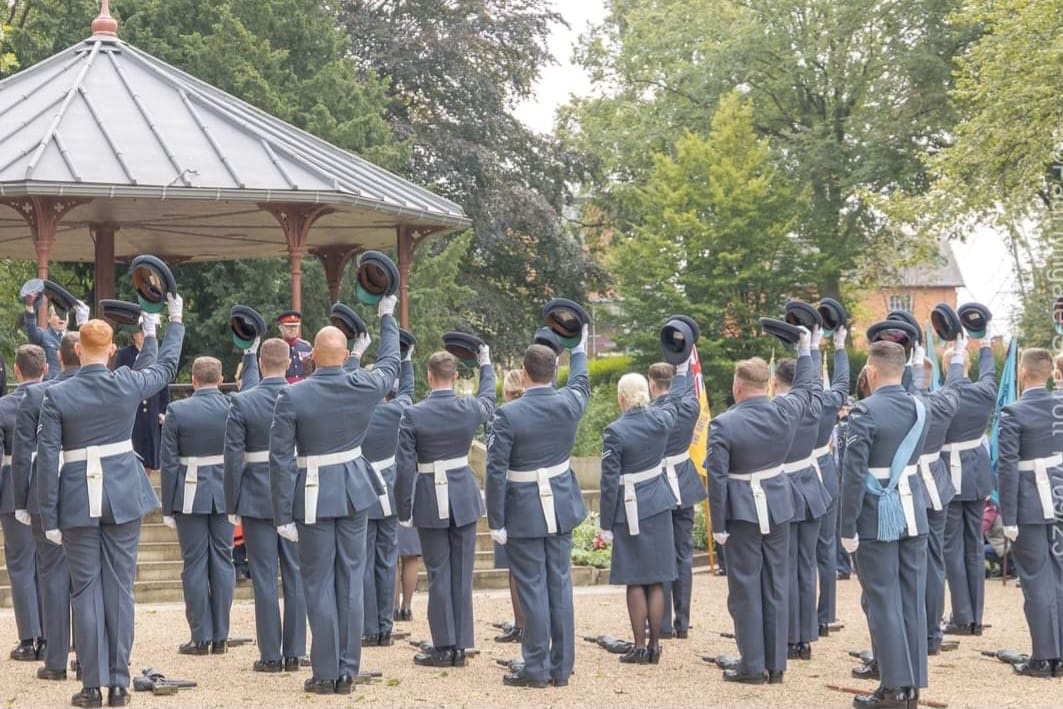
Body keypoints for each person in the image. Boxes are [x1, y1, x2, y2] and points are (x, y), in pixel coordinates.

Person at [37, 295, 184, 708]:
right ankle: (119, 684)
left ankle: (91, 685)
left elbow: (48, 458)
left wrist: (48, 513)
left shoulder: (57, 394)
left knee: (84, 590)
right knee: (120, 590)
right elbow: (164, 367)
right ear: (114, 352)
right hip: (120, 491)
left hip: (77, 497)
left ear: (78, 349)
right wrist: (165, 326)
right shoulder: (126, 382)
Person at [269, 296, 399, 695]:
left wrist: (282, 514)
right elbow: (392, 364)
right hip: (355, 490)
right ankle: (347, 669)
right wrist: (387, 316)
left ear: (312, 355)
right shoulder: (362, 385)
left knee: (318, 583)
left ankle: (325, 671)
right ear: (345, 355)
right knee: (350, 580)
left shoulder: (292, 395)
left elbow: (279, 459)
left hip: (312, 493)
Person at [707, 326, 815, 685]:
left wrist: (717, 524)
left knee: (745, 589)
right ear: (767, 385)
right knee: (777, 585)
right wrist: (805, 349)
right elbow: (806, 387)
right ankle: (776, 663)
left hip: (741, 513)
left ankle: (753, 665)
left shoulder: (723, 424)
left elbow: (718, 478)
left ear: (738, 386)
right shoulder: (785, 411)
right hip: (778, 505)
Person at [485, 330, 590, 687]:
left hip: (525, 509)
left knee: (532, 588)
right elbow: (582, 381)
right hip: (559, 505)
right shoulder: (570, 402)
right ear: (553, 370)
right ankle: (560, 668)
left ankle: (535, 668)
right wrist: (579, 348)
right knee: (559, 585)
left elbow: (495, 470)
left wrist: (496, 519)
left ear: (524, 372)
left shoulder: (508, 414)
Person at [840, 341, 931, 709]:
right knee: (911, 599)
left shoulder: (864, 410)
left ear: (872, 371)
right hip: (913, 510)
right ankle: (911, 687)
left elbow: (852, 474)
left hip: (876, 513)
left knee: (882, 599)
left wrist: (846, 527)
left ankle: (893, 688)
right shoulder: (920, 408)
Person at [395, 345, 495, 668]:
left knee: (438, 573)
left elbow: (404, 465)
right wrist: (486, 365)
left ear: (428, 376)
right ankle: (461, 645)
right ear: (455, 377)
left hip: (428, 495)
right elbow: (490, 401)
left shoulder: (413, 414)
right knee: (461, 573)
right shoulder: (468, 407)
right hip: (463, 495)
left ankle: (444, 645)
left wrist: (404, 508)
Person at [598, 363, 691, 665]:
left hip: (631, 505)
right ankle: (654, 645)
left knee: (636, 579)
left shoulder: (615, 431)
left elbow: (609, 481)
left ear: (623, 398)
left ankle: (639, 645)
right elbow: (675, 400)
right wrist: (681, 369)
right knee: (657, 578)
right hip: (659, 502)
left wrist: (606, 522)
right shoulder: (662, 420)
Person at [11, 334, 91, 679]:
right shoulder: (101, 390)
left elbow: (22, 457)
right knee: (88, 578)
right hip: (88, 490)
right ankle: (88, 657)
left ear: (58, 358)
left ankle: (56, 660)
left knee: (52, 576)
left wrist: (21, 500)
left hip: (46, 492)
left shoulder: (37, 394)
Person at [225, 338, 306, 672]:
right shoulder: (302, 395)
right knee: (296, 575)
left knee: (263, 576)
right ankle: (296, 650)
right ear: (288, 363)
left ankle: (271, 655)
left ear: (260, 362)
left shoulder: (242, 402)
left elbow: (232, 460)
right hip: (294, 491)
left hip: (257, 494)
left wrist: (232, 503)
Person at [161, 355, 247, 655]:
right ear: (221, 378)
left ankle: (200, 636)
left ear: (194, 380)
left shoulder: (177, 410)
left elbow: (169, 463)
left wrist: (167, 505)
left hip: (190, 492)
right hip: (224, 491)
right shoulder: (233, 406)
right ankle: (221, 635)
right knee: (223, 561)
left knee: (195, 564)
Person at [996, 348, 1063, 677]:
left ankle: (1043, 658)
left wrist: (1007, 517)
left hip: (1029, 503)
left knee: (1036, 580)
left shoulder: (1013, 411)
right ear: (1050, 373)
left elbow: (1007, 468)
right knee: (1059, 577)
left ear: (1023, 373)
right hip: (1059, 497)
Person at [357, 335, 415, 648]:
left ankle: (369, 625)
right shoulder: (395, 412)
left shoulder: (355, 412)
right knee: (386, 559)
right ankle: (384, 624)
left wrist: (356, 354)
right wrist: (406, 361)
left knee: (365, 561)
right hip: (389, 491)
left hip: (363, 489)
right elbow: (408, 392)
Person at [774, 339, 828, 662]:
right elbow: (815, 384)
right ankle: (806, 636)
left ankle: (791, 635)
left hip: (787, 488)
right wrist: (810, 348)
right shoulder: (814, 404)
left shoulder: (781, 407)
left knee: (788, 567)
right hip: (811, 487)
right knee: (806, 566)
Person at [911, 340, 965, 657]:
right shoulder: (944, 401)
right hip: (937, 484)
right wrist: (957, 356)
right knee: (935, 561)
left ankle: (919, 631)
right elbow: (955, 382)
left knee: (912, 563)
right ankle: (932, 633)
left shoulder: (910, 403)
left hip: (914, 486)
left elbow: (913, 397)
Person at [941, 335, 996, 636]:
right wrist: (985, 345)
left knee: (952, 545)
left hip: (950, 472)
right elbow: (990, 374)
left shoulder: (945, 395)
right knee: (974, 544)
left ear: (947, 367)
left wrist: (957, 354)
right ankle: (974, 615)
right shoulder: (982, 392)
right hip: (975, 471)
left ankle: (962, 616)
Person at [645, 360, 704, 640]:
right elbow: (689, 397)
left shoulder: (649, 412)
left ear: (651, 383)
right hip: (683, 481)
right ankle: (682, 622)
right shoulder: (689, 407)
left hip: (659, 484)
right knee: (684, 555)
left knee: (661, 556)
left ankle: (663, 622)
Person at [1, 344, 48, 661]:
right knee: (53, 566)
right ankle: (55, 635)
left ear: (17, 372)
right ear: (45, 370)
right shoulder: (56, 397)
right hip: (49, 486)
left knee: (21, 567)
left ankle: (30, 638)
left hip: (12, 489)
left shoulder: (4, 406)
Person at [814, 326, 849, 637]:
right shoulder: (827, 404)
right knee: (826, 549)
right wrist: (839, 348)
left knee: (798, 553)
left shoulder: (792, 404)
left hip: (799, 475)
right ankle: (825, 614)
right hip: (824, 471)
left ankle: (800, 618)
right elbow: (841, 383)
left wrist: (810, 348)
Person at [492, 369, 528, 645]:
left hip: (511, 494)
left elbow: (496, 464)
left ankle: (521, 623)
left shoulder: (503, 415)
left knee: (515, 569)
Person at [113, 329, 169, 471]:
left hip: (152, 408)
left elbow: (163, 383)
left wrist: (163, 410)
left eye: (145, 331)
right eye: (139, 331)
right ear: (133, 334)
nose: (143, 335)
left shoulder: (156, 353)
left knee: (149, 455)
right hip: (133, 408)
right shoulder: (124, 354)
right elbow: (118, 379)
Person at [23, 294, 87, 381]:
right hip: (51, 383)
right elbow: (31, 328)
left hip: (72, 382)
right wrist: (29, 306)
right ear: (49, 318)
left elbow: (87, 342)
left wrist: (83, 322)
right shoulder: (43, 335)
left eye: (64, 315)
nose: (61, 318)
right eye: (57, 314)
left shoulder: (74, 337)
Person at [277, 311, 313, 383]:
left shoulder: (306, 346)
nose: (292, 329)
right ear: (280, 328)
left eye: (295, 326)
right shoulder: (276, 348)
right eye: (288, 326)